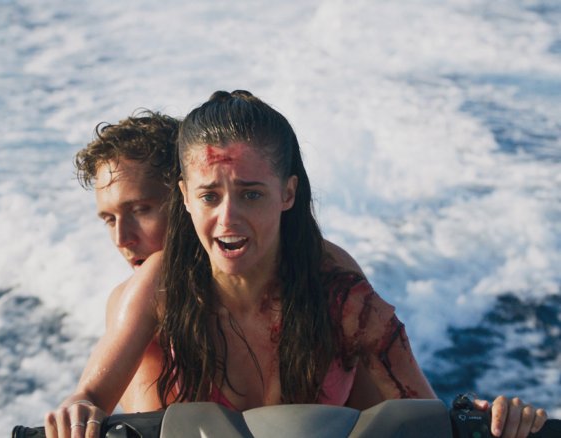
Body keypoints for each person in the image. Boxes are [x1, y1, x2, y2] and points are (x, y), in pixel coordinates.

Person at [46, 92, 548, 438]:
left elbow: (426, 416)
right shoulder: (158, 286)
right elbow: (88, 397)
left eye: (251, 194)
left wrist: (491, 420)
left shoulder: (337, 291)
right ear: (186, 197)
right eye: (209, 196)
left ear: (287, 194)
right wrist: (77, 413)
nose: (228, 218)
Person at [73, 110, 179, 412]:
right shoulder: (128, 301)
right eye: (110, 219)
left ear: (187, 199)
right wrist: (79, 405)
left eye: (140, 210)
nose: (121, 238)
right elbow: (88, 399)